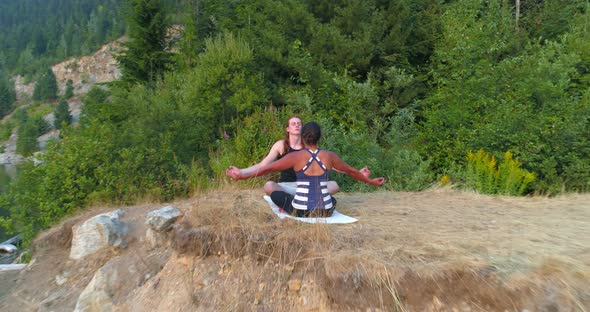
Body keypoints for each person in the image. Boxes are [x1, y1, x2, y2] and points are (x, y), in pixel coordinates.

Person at [227, 122, 385, 217]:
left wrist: (242, 176)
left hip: (302, 211)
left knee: (276, 196)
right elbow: (351, 171)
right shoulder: (329, 156)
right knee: (333, 200)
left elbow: (267, 169)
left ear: (303, 136)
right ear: (319, 137)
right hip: (326, 211)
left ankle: (292, 207)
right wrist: (370, 181)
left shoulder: (296, 157)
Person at [226, 116, 343, 195]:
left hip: (307, 188)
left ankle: (301, 202)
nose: (297, 125)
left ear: (303, 128)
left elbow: (331, 164)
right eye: (293, 124)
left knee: (334, 185)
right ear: (288, 129)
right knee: (269, 186)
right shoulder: (281, 145)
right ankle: (292, 202)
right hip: (286, 187)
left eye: (299, 124)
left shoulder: (309, 146)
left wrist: (356, 173)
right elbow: (263, 165)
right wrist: (241, 173)